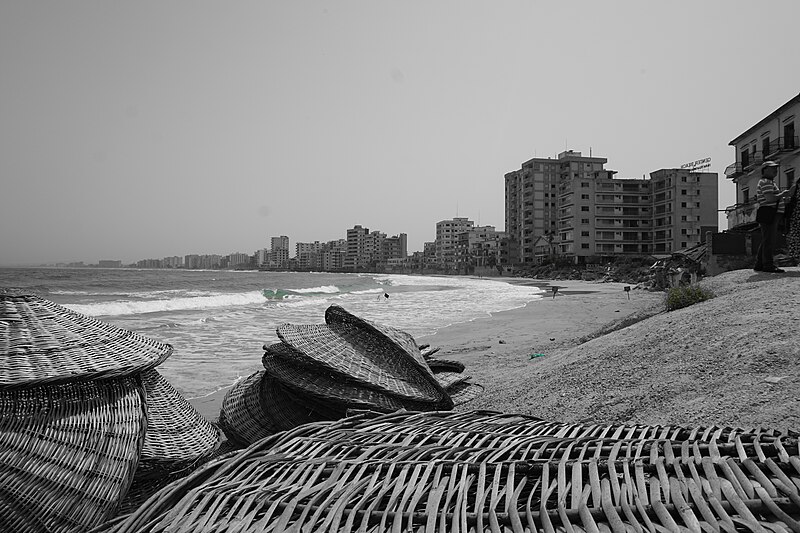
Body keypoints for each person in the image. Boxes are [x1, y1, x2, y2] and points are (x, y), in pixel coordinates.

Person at [754, 161, 791, 273]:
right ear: (765, 170)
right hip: (770, 213)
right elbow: (770, 198)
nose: (775, 170)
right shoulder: (766, 182)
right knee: (769, 240)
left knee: (767, 239)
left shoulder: (769, 182)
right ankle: (768, 265)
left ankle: (760, 264)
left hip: (769, 213)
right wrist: (783, 194)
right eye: (772, 168)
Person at [785, 174, 800, 263]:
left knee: (796, 237)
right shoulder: (796, 187)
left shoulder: (795, 187)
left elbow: (788, 198)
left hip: (795, 215)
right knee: (796, 237)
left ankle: (797, 257)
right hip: (796, 215)